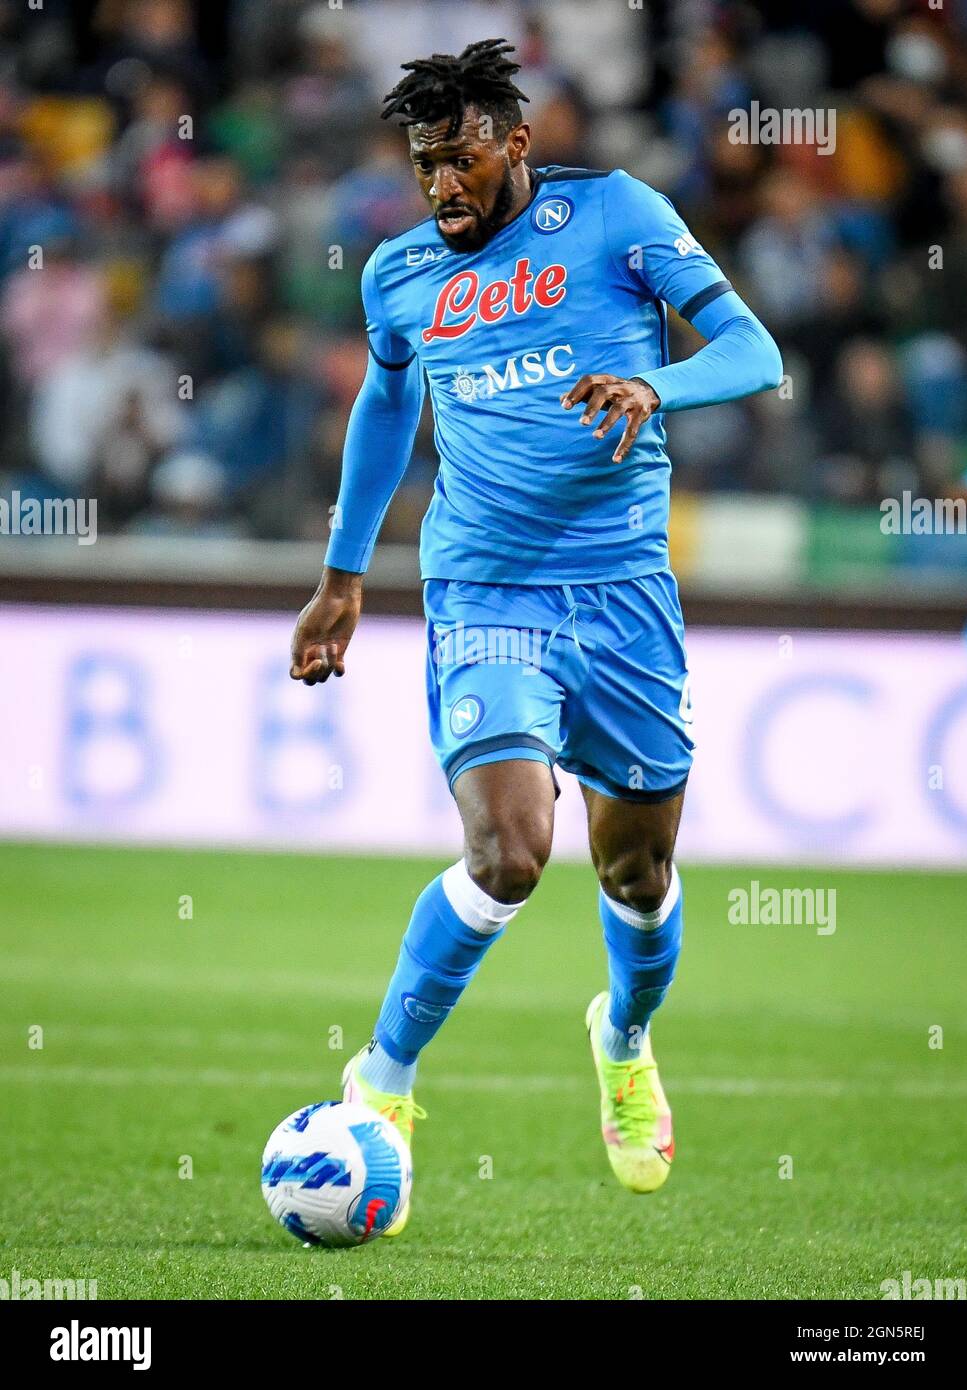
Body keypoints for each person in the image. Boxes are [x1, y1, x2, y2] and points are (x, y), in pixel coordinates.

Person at [289, 39, 782, 1235]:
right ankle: (385, 1082)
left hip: (622, 597)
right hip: (485, 595)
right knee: (511, 853)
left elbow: (755, 352)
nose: (441, 189)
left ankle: (622, 1036)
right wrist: (343, 579)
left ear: (516, 142)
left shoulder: (617, 216)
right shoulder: (401, 275)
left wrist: (657, 387)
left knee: (640, 873)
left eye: (460, 161)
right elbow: (386, 403)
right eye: (423, 168)